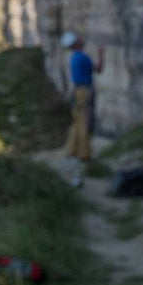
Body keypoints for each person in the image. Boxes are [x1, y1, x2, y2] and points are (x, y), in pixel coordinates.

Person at [61, 30, 104, 186]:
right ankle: (84, 153)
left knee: (77, 120)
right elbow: (99, 69)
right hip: (85, 91)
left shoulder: (74, 57)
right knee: (85, 121)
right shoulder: (82, 57)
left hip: (77, 91)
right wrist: (101, 53)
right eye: (79, 38)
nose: (82, 38)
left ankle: (72, 149)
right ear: (76, 43)